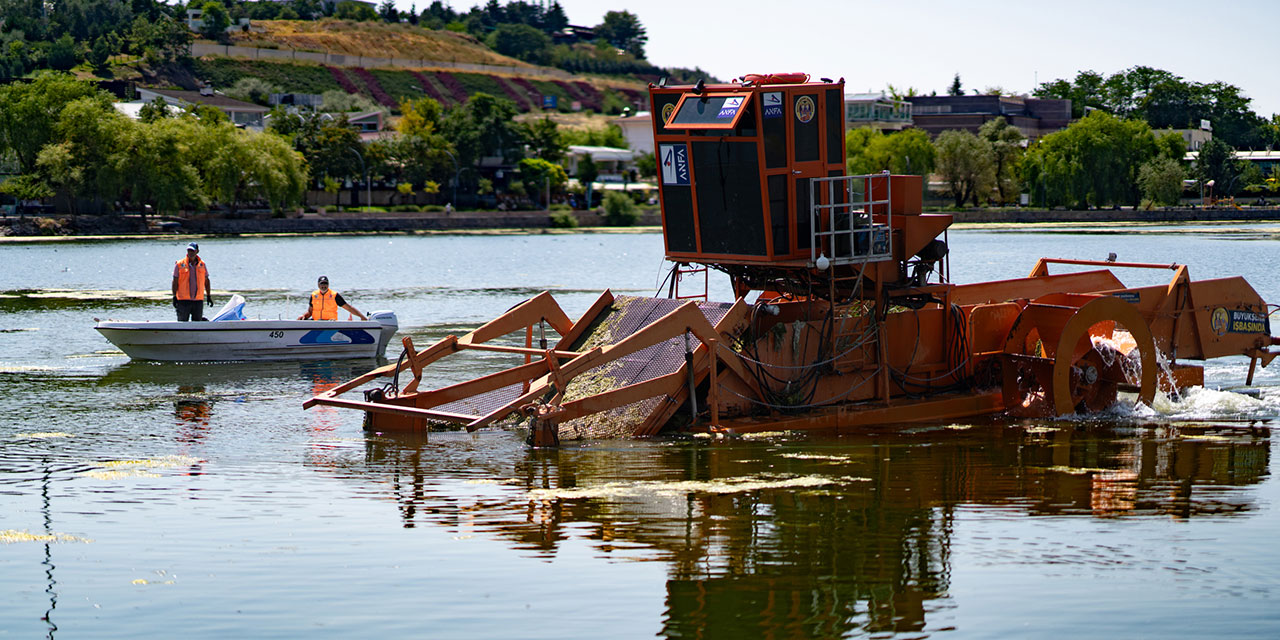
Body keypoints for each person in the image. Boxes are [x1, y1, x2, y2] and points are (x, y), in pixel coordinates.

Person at [171, 242, 211, 322]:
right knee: (182, 323)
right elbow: (175, 281)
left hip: (198, 300)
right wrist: (174, 296)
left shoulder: (202, 264)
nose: (190, 253)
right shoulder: (179, 264)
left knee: (197, 324)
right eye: (189, 250)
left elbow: (206, 281)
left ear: (197, 251)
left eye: (192, 251)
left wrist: (208, 295)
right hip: (183, 300)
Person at [299, 276, 367, 321]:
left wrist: (362, 317)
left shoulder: (334, 295)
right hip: (316, 322)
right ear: (318, 285)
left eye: (325, 284)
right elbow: (310, 312)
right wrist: (303, 316)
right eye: (322, 284)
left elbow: (349, 308)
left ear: (328, 284)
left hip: (330, 323)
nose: (323, 286)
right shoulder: (314, 295)